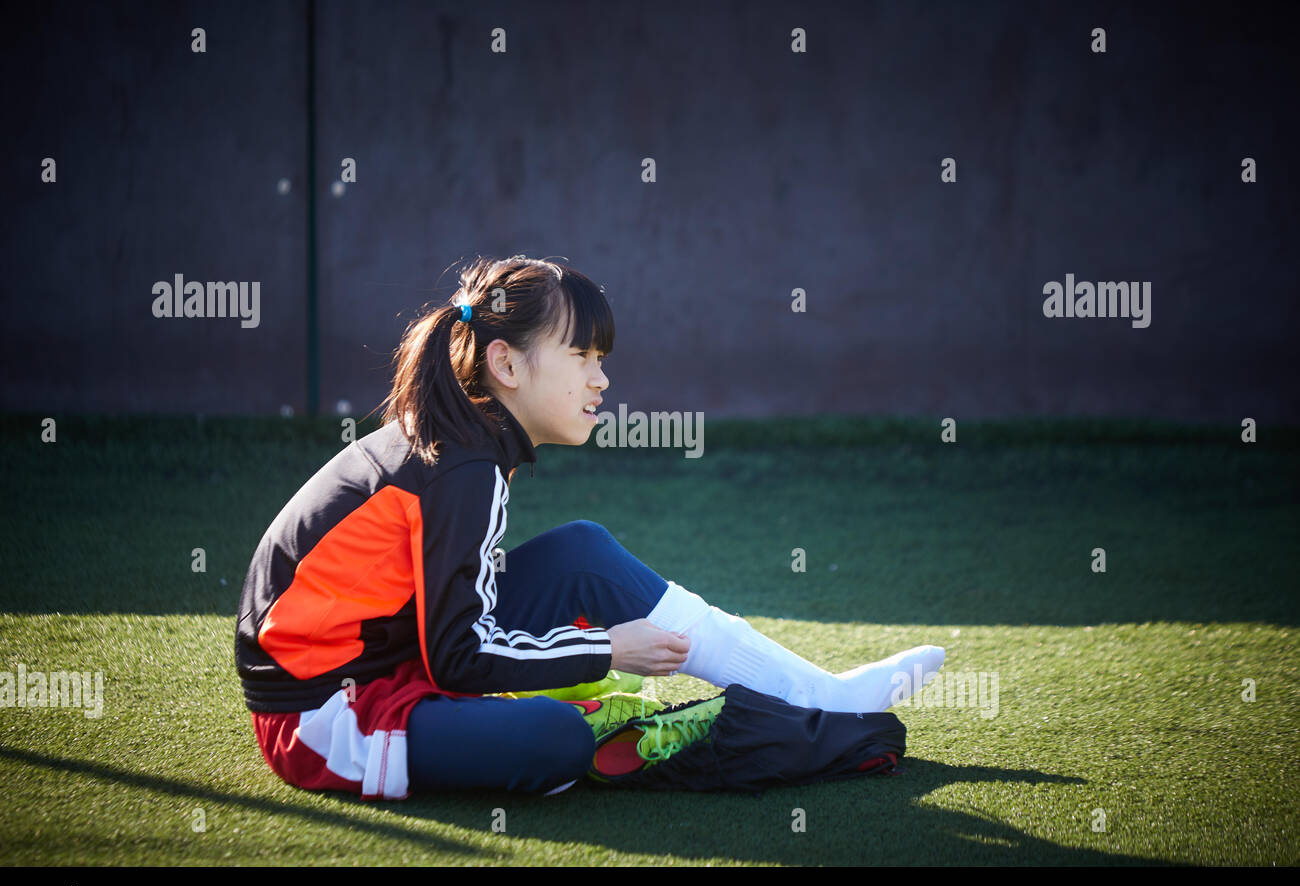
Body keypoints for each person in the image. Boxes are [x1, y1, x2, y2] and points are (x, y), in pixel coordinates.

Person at [234, 255, 945, 800]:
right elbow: (457, 657)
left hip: (398, 654)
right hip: (326, 716)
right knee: (555, 744)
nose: (601, 380)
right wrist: (606, 649)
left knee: (583, 552)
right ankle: (635, 734)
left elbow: (450, 632)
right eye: (581, 356)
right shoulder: (462, 467)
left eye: (601, 359)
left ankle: (819, 694)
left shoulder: (470, 447)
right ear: (505, 362)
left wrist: (598, 645)